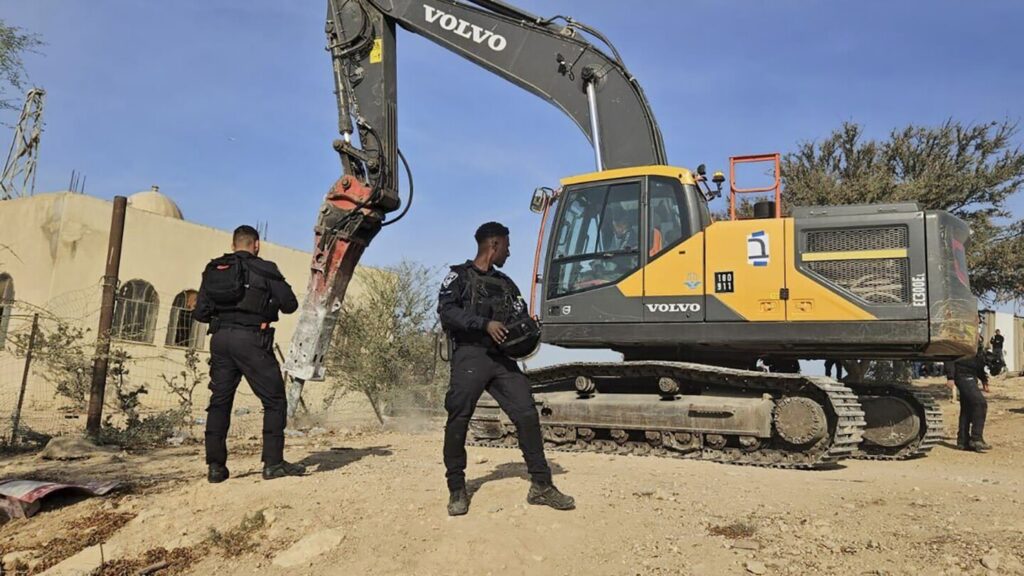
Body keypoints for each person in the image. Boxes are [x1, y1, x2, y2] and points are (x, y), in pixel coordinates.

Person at [438, 221, 575, 516]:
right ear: (494, 244)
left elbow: (519, 316)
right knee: (459, 417)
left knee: (526, 412)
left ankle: (541, 484)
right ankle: (456, 489)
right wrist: (484, 324)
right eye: (508, 247)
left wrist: (527, 330)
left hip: (501, 359)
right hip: (470, 356)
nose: (510, 253)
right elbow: (447, 312)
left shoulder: (506, 284)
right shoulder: (458, 277)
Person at [194, 225, 305, 482]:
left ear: (233, 245)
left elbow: (200, 313)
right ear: (256, 245)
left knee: (220, 402)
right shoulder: (265, 269)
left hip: (220, 340)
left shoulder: (214, 269)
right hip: (252, 340)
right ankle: (273, 463)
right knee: (275, 401)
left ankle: (215, 468)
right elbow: (290, 305)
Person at [944, 334, 991, 452]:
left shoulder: (976, 338)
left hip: (972, 376)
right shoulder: (959, 337)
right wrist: (950, 377)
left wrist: (984, 379)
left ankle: (963, 441)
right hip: (962, 375)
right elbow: (949, 357)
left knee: (967, 408)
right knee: (980, 403)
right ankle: (976, 438)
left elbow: (979, 362)